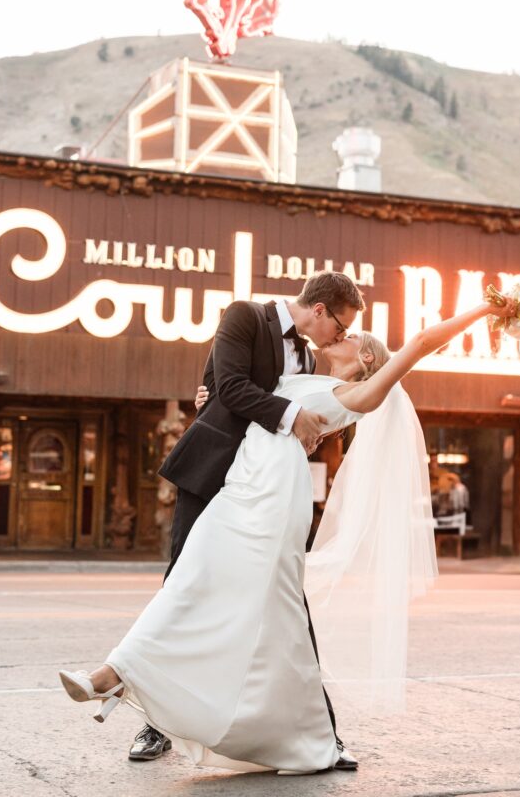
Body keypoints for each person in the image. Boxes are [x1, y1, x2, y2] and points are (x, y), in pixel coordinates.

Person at [59, 291, 517, 775]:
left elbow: (423, 341)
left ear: (365, 355)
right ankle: (131, 683)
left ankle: (119, 677)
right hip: (239, 486)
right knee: (199, 583)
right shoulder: (299, 370)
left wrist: (488, 310)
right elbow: (240, 388)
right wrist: (210, 396)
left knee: (249, 599)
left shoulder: (361, 393)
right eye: (341, 325)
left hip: (272, 501)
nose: (340, 335)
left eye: (350, 334)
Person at [126, 272, 365, 763]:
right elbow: (226, 387)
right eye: (340, 326)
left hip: (266, 486)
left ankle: (322, 732)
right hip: (213, 473)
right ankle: (156, 724)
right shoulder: (243, 316)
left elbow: (227, 394)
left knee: (285, 598)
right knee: (182, 587)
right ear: (319, 310)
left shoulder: (307, 356)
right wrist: (289, 416)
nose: (339, 338)